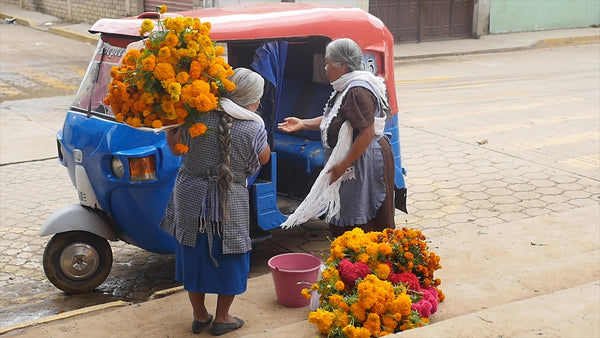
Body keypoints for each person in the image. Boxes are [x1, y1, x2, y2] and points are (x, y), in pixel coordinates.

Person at [161, 68, 270, 335]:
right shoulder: (254, 126)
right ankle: (223, 317)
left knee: (192, 252)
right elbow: (263, 158)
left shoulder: (196, 114)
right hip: (229, 201)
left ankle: (200, 316)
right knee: (230, 254)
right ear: (251, 100)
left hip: (190, 195)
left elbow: (175, 148)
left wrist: (170, 125)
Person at [277, 38, 395, 237]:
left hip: (364, 160)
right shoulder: (346, 86)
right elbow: (335, 118)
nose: (324, 68)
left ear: (343, 65)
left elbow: (367, 131)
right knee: (349, 214)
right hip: (355, 158)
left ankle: (366, 262)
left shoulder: (358, 90)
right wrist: (303, 123)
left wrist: (343, 164)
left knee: (364, 219)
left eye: (328, 62)